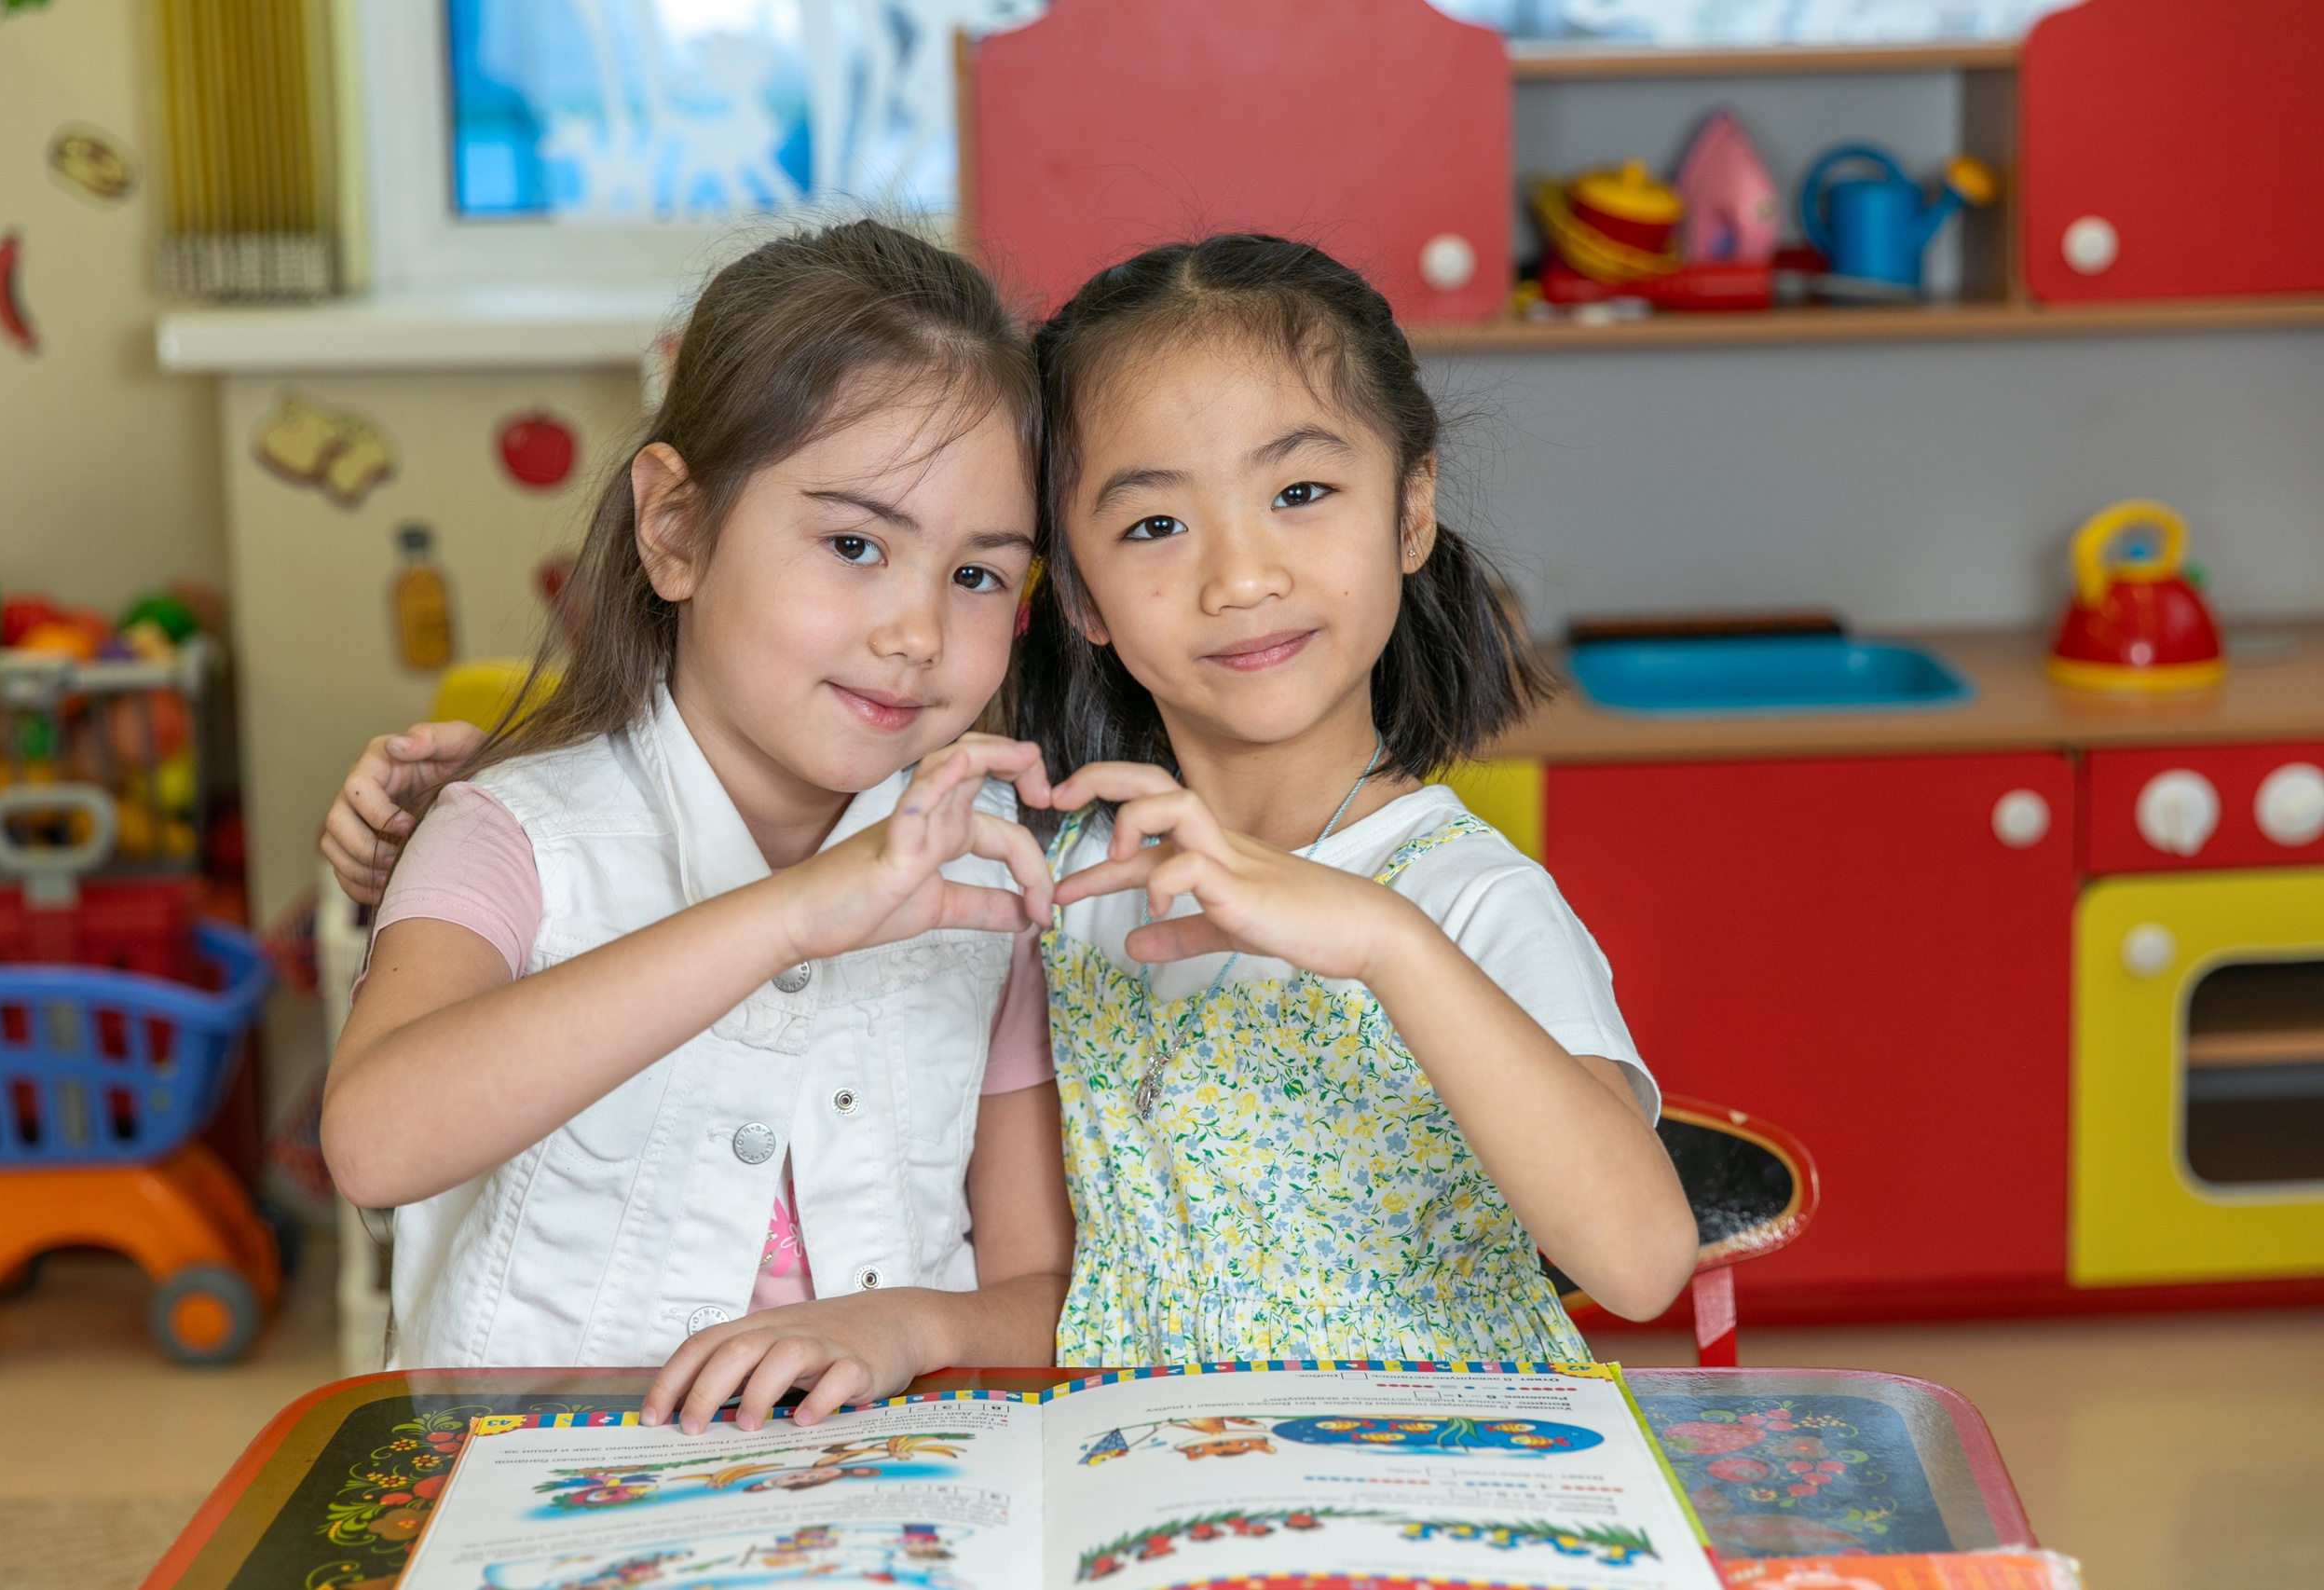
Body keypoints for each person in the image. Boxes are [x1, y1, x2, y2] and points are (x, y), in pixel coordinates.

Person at [318, 220, 1073, 1431]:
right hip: (539, 1508)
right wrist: (788, 915)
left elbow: (1046, 1295)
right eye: (854, 544)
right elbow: (374, 1140)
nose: (919, 631)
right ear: (675, 527)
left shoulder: (987, 880)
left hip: (886, 1508)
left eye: (979, 574)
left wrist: (914, 1323)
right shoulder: (510, 833)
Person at [1012, 234, 1697, 1364]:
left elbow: (1638, 1260)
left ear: (1410, 509)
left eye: (1300, 491)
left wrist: (1387, 941)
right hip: (1167, 1493)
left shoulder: (1464, 898)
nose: (1240, 576)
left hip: (1437, 1497)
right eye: (1153, 524)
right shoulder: (1073, 885)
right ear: (1078, 588)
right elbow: (1057, 1277)